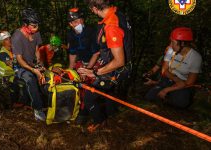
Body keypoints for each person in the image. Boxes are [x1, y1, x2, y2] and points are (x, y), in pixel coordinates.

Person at [78, 0, 132, 132]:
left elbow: (119, 61)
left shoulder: (112, 25)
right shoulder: (118, 14)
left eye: (91, 8)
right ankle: (111, 113)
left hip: (117, 69)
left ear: (95, 8)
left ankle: (99, 122)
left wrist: (95, 72)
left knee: (89, 97)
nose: (91, 11)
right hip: (120, 65)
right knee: (108, 91)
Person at [145, 27, 202, 109]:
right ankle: (165, 93)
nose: (170, 45)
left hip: (184, 84)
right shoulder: (170, 51)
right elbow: (164, 70)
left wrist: (166, 90)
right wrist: (176, 79)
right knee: (150, 97)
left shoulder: (195, 57)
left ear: (182, 43)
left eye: (172, 42)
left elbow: (190, 82)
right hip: (169, 79)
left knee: (180, 102)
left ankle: (171, 96)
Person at [11, 8, 46, 121]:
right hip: (20, 67)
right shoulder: (17, 37)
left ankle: (49, 103)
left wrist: (39, 64)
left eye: (37, 25)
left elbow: (37, 50)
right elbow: (20, 59)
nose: (36, 28)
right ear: (25, 24)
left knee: (46, 76)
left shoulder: (36, 33)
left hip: (32, 63)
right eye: (33, 25)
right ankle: (38, 110)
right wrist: (33, 70)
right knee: (30, 79)